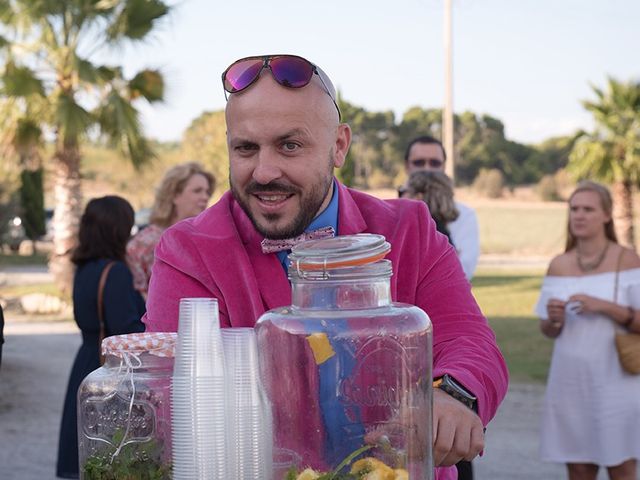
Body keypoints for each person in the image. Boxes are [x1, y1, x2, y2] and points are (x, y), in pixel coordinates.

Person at [143, 54, 508, 480]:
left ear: (339, 146)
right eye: (245, 148)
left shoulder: (408, 229)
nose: (264, 171)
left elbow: (468, 337)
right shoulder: (188, 250)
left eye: (289, 145)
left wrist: (453, 395)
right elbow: (174, 391)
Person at [535, 180, 640, 480]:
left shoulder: (627, 260)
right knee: (578, 468)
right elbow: (548, 329)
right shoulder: (559, 264)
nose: (579, 215)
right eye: (574, 209)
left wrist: (605, 307)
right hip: (570, 382)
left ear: (606, 215)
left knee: (621, 467)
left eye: (588, 209)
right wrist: (554, 319)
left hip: (617, 382)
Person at [56, 196, 146, 479]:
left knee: (83, 448)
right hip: (109, 370)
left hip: (85, 359)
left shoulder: (84, 269)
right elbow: (125, 328)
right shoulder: (115, 271)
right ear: (118, 229)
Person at [126, 161, 215, 298]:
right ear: (174, 195)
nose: (205, 197)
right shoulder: (144, 243)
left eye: (207, 192)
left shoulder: (206, 240)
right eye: (197, 191)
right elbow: (139, 296)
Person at [400, 135, 480, 280]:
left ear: (444, 166)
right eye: (419, 162)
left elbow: (464, 271)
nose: (427, 169)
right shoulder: (390, 210)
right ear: (407, 166)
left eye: (434, 163)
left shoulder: (464, 215)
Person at [401, 170, 459, 245]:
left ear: (418, 198)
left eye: (402, 191)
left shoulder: (413, 236)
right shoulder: (444, 239)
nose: (400, 197)